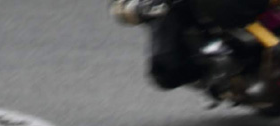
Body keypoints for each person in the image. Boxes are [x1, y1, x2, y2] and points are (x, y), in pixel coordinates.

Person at [109, 0, 270, 90]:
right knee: (167, 69)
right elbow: (121, 8)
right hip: (183, 8)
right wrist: (137, 7)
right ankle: (216, 69)